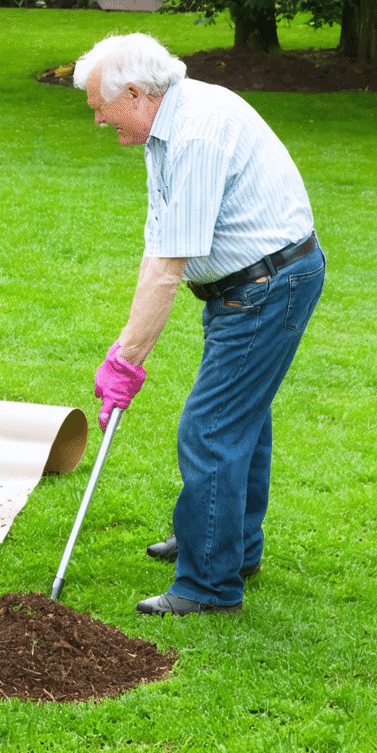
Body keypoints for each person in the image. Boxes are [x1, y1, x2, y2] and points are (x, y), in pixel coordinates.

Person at [72, 34, 325, 615]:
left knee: (211, 428)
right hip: (250, 284)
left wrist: (124, 362)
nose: (96, 118)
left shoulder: (195, 134)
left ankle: (209, 587)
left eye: (99, 105)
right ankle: (228, 548)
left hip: (267, 287)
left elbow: (168, 266)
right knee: (241, 421)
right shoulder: (165, 124)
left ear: (135, 94)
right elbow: (158, 239)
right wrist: (126, 352)